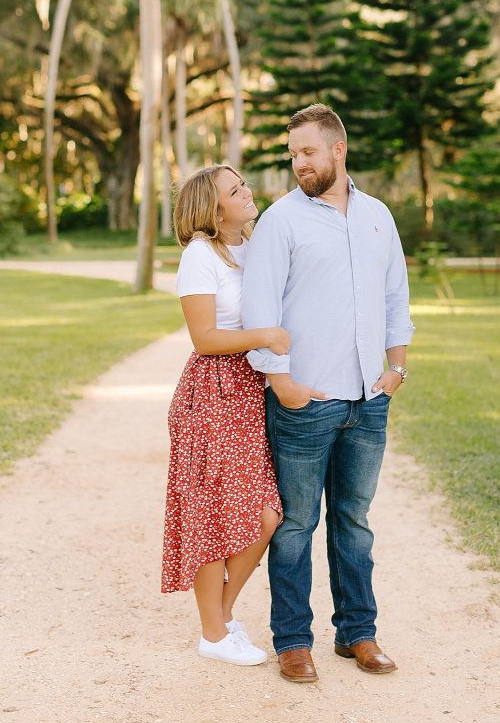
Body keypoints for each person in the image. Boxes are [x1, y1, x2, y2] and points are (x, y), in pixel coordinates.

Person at [241, 104, 415, 683]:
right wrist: (281, 382)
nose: (298, 163)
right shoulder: (280, 221)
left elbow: (396, 297)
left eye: (307, 151)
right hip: (305, 402)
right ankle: (293, 641)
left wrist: (396, 370)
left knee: (354, 521)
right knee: (295, 525)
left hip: (369, 398)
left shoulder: (377, 217)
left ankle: (358, 634)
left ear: (338, 149)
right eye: (292, 154)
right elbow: (259, 306)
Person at [162, 163, 298, 667]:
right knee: (214, 516)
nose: (246, 193)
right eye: (234, 190)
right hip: (211, 393)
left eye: (243, 185)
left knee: (265, 515)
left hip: (247, 392)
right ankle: (216, 632)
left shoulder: (255, 246)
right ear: (212, 209)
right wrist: (264, 337)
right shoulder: (200, 256)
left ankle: (217, 620)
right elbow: (204, 338)